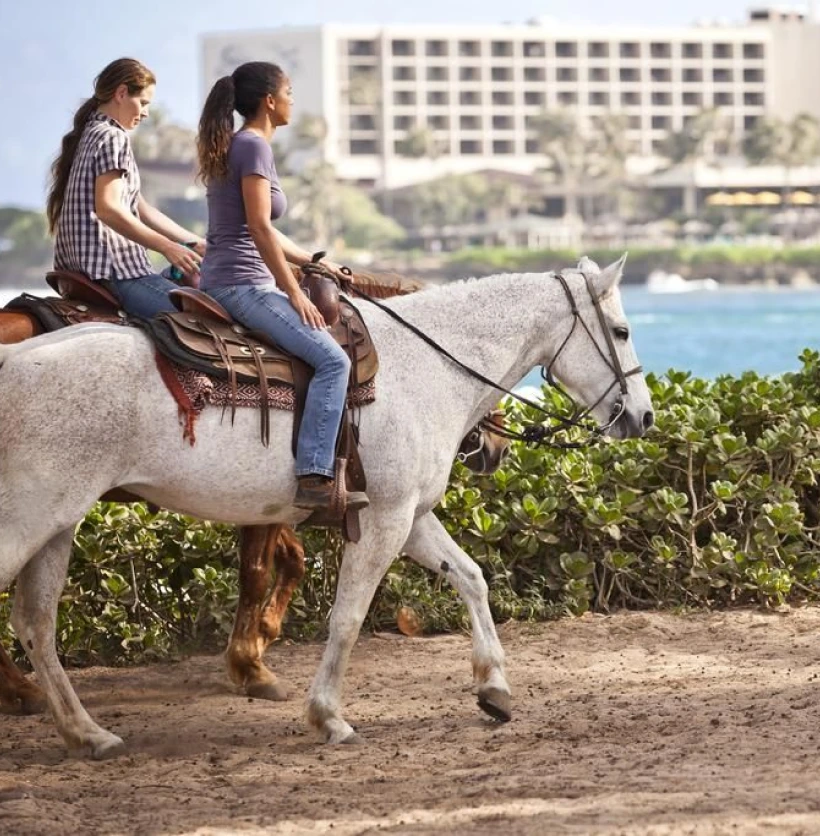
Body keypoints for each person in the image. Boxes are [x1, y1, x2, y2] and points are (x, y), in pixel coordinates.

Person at [196, 61, 368, 513]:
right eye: (289, 92)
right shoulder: (253, 146)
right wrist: (293, 292)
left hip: (225, 277)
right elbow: (258, 227)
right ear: (270, 101)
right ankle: (314, 476)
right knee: (333, 361)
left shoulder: (238, 144)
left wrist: (314, 263)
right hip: (243, 284)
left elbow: (266, 229)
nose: (293, 100)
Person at [47, 57, 205, 319]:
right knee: (203, 320)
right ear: (121, 93)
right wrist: (167, 247)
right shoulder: (113, 136)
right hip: (114, 270)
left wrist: (195, 243)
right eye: (143, 102)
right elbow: (109, 209)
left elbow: (141, 209)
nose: (145, 113)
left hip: (81, 270)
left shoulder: (89, 132)